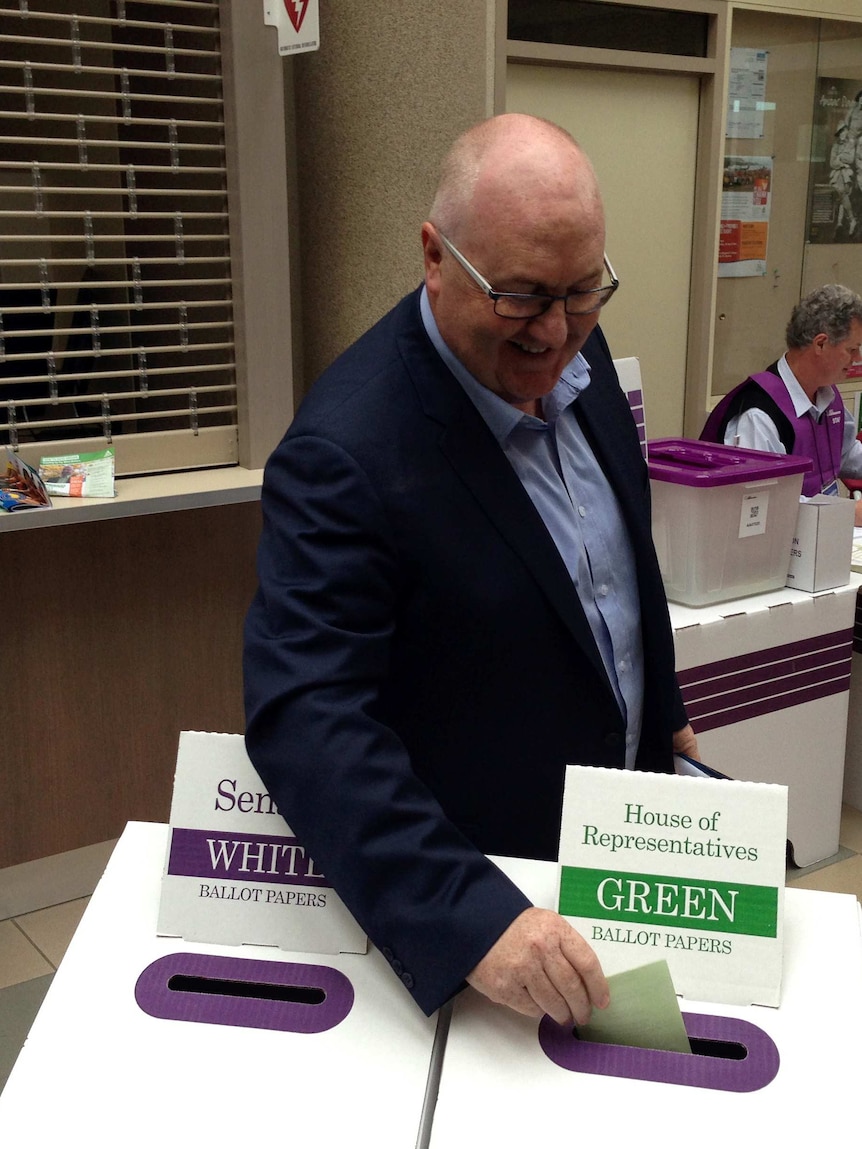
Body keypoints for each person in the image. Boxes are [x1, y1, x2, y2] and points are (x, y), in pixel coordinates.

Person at [243, 113, 696, 1028]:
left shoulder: (578, 346)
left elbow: (612, 555)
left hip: (619, 853)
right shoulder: (347, 450)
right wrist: (472, 916)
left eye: (584, 291)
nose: (557, 334)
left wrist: (664, 713)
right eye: (524, 295)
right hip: (490, 915)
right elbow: (307, 715)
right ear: (435, 256)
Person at [700, 284, 862, 523]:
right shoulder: (759, 414)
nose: (857, 358)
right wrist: (850, 514)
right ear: (820, 344)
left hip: (822, 538)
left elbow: (847, 454)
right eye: (852, 349)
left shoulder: (828, 396)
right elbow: (761, 504)